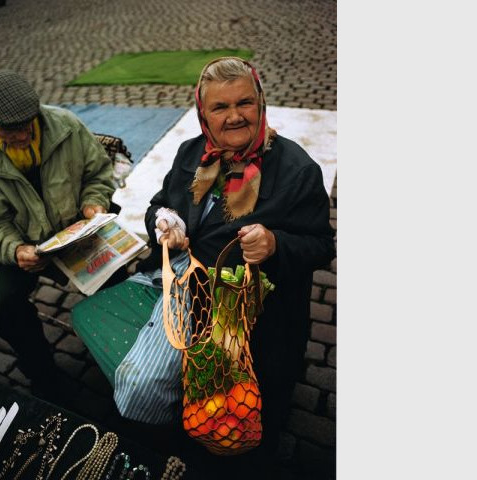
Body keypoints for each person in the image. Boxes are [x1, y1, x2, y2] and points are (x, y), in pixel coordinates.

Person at [72, 57, 335, 472]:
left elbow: (322, 245)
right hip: (187, 284)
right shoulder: (192, 152)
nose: (234, 117)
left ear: (261, 102)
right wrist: (165, 223)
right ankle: (171, 442)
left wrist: (276, 245)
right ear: (202, 112)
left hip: (255, 314)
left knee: (247, 423)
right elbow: (161, 205)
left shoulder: (296, 169)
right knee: (147, 385)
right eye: (220, 107)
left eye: (244, 103)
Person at [0, 70, 116, 398]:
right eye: (13, 130)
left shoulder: (66, 125)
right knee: (6, 305)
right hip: (30, 245)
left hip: (78, 228)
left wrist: (94, 203)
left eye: (29, 123)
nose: (25, 134)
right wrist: (15, 250)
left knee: (116, 281)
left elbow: (98, 172)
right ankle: (42, 372)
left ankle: (121, 357)